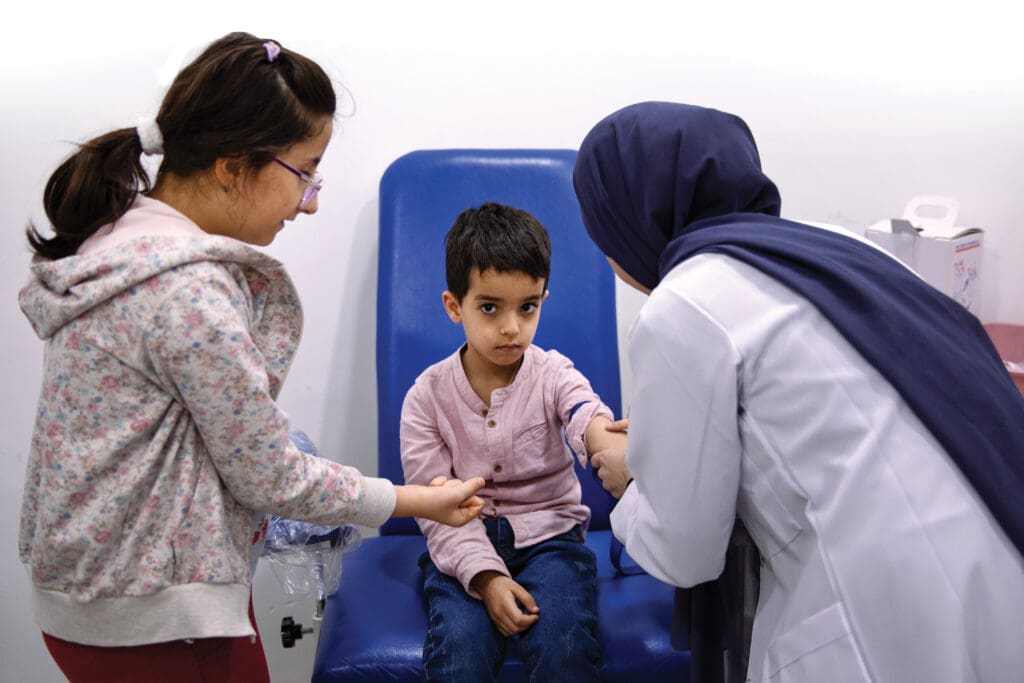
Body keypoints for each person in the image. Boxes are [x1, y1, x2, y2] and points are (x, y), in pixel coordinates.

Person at [18, 32, 484, 683]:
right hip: (160, 620)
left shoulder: (120, 243)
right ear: (232, 167)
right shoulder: (187, 287)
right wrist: (410, 499)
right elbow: (271, 478)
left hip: (89, 599)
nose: (312, 199)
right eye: (305, 171)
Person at [572, 101, 1024, 682]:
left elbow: (682, 551)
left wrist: (634, 478)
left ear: (628, 219)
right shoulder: (838, 248)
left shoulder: (683, 303)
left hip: (887, 621)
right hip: (1001, 560)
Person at [399, 202, 626, 682]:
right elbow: (434, 506)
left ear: (543, 298)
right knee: (459, 651)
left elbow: (584, 412)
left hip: (552, 541)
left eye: (528, 307)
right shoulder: (425, 397)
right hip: (461, 543)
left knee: (565, 643)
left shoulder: (553, 373)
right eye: (489, 307)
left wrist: (608, 443)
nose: (511, 327)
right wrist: (487, 576)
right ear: (453, 306)